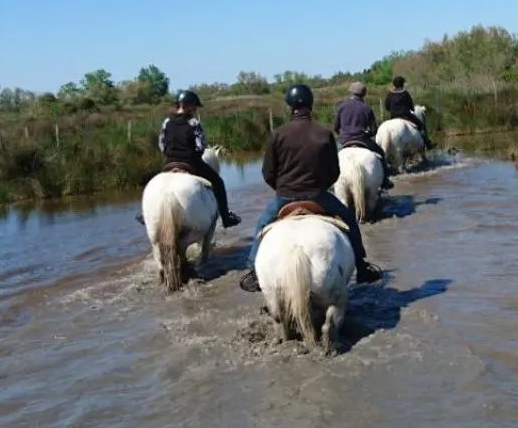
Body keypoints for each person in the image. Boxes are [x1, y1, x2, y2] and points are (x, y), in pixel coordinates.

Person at [238, 83, 383, 293]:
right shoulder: (324, 133)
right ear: (311, 104)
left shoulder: (277, 134)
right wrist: (321, 187)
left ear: (289, 106)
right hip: (318, 196)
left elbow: (268, 173)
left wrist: (282, 189)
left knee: (261, 225)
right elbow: (334, 172)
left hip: (285, 197)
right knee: (350, 220)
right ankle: (361, 267)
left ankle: (253, 272)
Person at [157, 89, 242, 228]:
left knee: (155, 185)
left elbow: (161, 144)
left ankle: (144, 214)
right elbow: (200, 146)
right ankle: (226, 217)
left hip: (169, 163)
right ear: (188, 106)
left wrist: (170, 154)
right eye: (194, 106)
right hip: (191, 163)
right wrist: (193, 155)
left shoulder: (167, 121)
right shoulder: (193, 123)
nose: (195, 109)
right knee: (218, 182)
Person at [333, 81, 395, 191]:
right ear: (364, 94)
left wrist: (342, 134)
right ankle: (385, 180)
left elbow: (336, 127)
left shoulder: (341, 106)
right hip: (362, 139)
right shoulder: (367, 108)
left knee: (331, 158)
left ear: (350, 92)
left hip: (344, 140)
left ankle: (330, 183)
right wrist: (368, 134)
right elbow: (374, 130)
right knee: (380, 153)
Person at [383, 75, 434, 149]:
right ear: (402, 84)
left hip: (393, 117)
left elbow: (387, 107)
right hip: (406, 116)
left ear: (394, 85)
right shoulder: (405, 93)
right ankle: (428, 143)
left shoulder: (390, 94)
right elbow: (411, 107)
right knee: (421, 125)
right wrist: (411, 109)